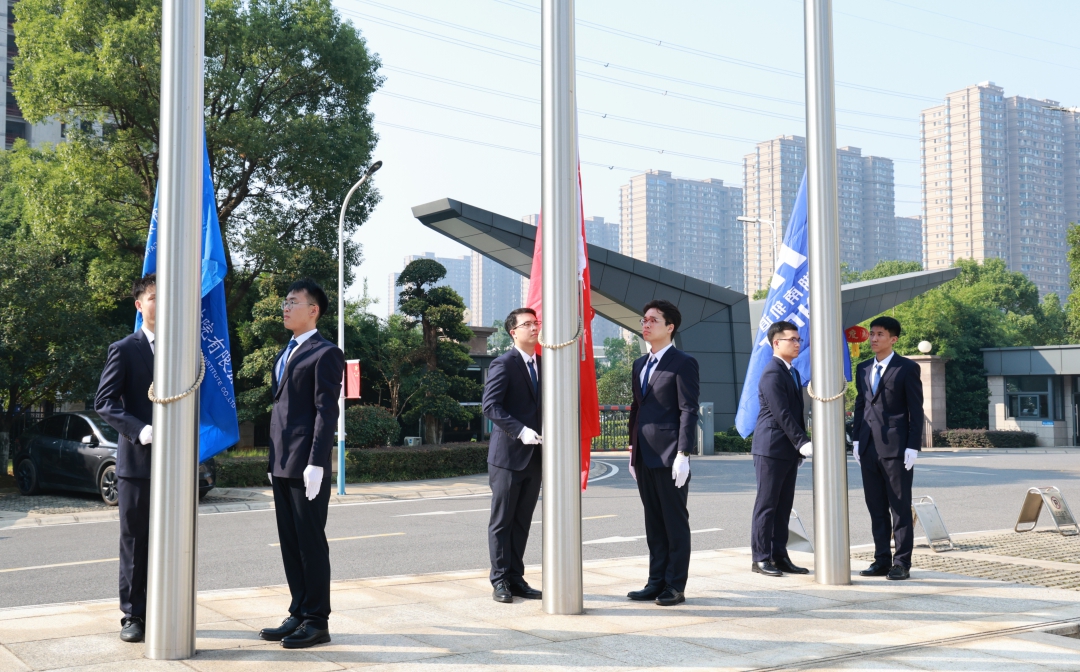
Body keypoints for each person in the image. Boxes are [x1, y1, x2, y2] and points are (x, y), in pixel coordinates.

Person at [258, 279, 344, 648]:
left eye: (293, 302)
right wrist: (272, 459)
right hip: (282, 461)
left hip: (306, 464)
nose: (285, 307)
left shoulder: (326, 353)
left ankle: (317, 620)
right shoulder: (285, 353)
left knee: (310, 542)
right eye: (285, 301)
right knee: (290, 543)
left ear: (313, 310)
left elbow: (326, 412)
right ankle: (298, 610)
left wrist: (317, 463)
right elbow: (281, 411)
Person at [95, 273, 157, 643]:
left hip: (177, 464)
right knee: (135, 540)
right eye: (153, 297)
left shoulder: (185, 349)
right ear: (139, 304)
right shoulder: (124, 349)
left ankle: (167, 607)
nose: (160, 304)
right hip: (138, 462)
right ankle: (133, 615)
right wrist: (140, 430)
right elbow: (104, 402)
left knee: (171, 540)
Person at [626, 299, 699, 607]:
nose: (646, 324)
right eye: (644, 320)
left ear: (670, 327)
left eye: (653, 320)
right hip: (644, 454)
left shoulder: (683, 362)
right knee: (653, 522)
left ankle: (674, 585)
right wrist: (632, 448)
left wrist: (683, 453)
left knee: (674, 522)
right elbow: (636, 408)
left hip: (670, 454)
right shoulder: (640, 364)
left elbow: (688, 409)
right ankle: (655, 581)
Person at [852, 316, 924, 581]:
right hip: (868, 446)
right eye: (872, 333)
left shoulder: (906, 368)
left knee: (899, 507)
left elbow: (916, 410)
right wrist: (856, 439)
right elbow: (861, 405)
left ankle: (902, 562)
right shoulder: (863, 368)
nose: (873, 338)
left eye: (880, 334)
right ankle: (881, 560)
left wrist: (912, 446)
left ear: (893, 339)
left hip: (896, 448)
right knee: (876, 507)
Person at [482, 308, 544, 604]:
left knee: (522, 521)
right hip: (508, 456)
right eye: (527, 324)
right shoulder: (503, 363)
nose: (534, 328)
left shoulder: (545, 364)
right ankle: (500, 580)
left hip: (536, 457)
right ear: (513, 332)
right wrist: (520, 431)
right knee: (502, 521)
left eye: (536, 323)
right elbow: (490, 405)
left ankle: (517, 578)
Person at [749, 321, 814, 577]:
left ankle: (779, 556)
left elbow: (797, 413)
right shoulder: (772, 372)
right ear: (776, 343)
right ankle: (760, 558)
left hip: (787, 449)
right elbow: (781, 413)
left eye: (799, 340)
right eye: (792, 340)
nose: (798, 344)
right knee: (767, 505)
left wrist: (797, 447)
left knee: (784, 505)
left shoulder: (792, 372)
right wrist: (802, 442)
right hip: (771, 447)